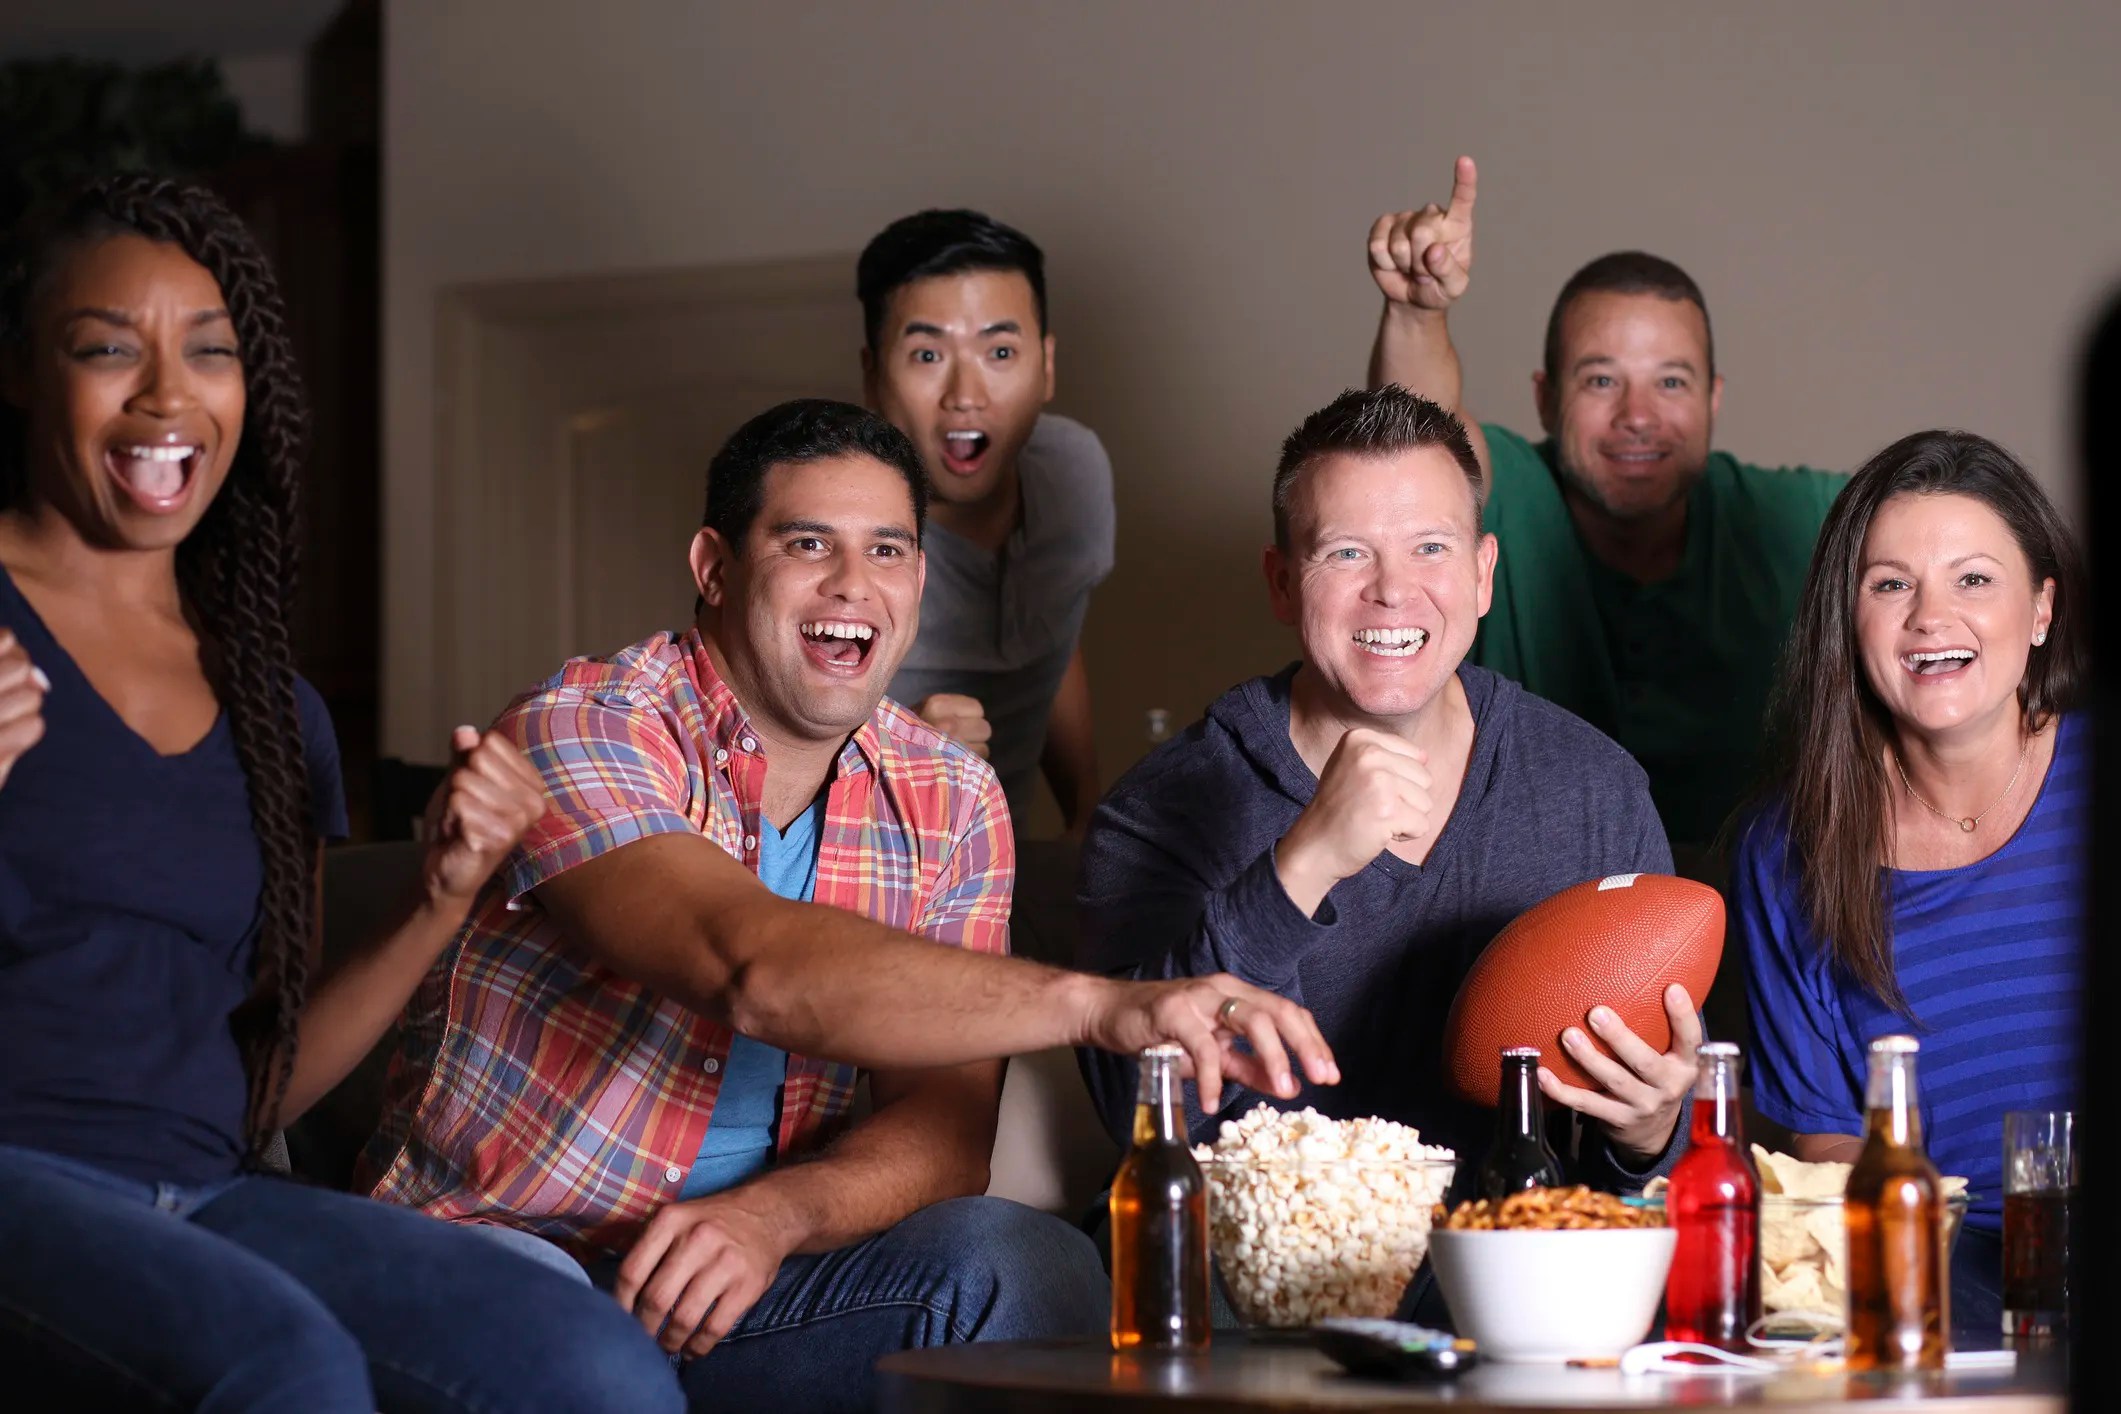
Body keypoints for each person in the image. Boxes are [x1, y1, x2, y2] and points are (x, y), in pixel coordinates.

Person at [358, 398, 1333, 1413]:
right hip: (513, 1247)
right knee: (583, 1369)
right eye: (808, 543)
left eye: (888, 551)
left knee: (1023, 1265)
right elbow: (751, 966)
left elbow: (947, 1130)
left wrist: (775, 1215)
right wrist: (1102, 1005)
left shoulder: (950, 800)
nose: (852, 587)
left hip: (749, 1283)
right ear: (715, 566)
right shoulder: (583, 724)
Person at [0, 175, 686, 1411]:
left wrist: (445, 892)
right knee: (282, 1364)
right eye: (107, 349)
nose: (167, 396)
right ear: (18, 373)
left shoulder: (275, 710)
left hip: (205, 1195)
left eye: (209, 354)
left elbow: (270, 1080)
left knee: (589, 1368)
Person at [1075, 385, 1699, 1196]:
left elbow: (1635, 1172)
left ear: (1482, 576)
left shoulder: (1593, 789)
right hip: (1260, 1283)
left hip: (1515, 1272)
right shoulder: (1158, 811)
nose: (1392, 589)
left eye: (1430, 548)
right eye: (1345, 552)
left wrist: (1647, 1131)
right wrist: (1298, 869)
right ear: (1280, 583)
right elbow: (1133, 1118)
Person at [1364, 157, 1849, 854]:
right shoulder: (1511, 497)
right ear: (1544, 398)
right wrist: (1416, 314)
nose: (1637, 417)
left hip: (1752, 935)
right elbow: (1417, 436)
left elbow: (1957, 539)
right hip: (1526, 931)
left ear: (1712, 399)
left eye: (1670, 383)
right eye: (1600, 380)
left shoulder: (1791, 516)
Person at [1736, 429, 2087, 1333]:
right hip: (1930, 1294)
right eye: (1890, 584)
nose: (1931, 617)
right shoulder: (1783, 850)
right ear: (1845, 621)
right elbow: (1821, 1134)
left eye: (1973, 579)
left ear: (2040, 610)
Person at [860, 209, 1115, 833]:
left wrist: (1085, 813)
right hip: (855, 888)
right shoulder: (830, 529)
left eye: (1000, 350)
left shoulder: (1073, 471)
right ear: (871, 373)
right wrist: (893, 756)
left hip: (1008, 873)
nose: (965, 393)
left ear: (1046, 365)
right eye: (927, 354)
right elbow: (749, 746)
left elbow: (1053, 635)